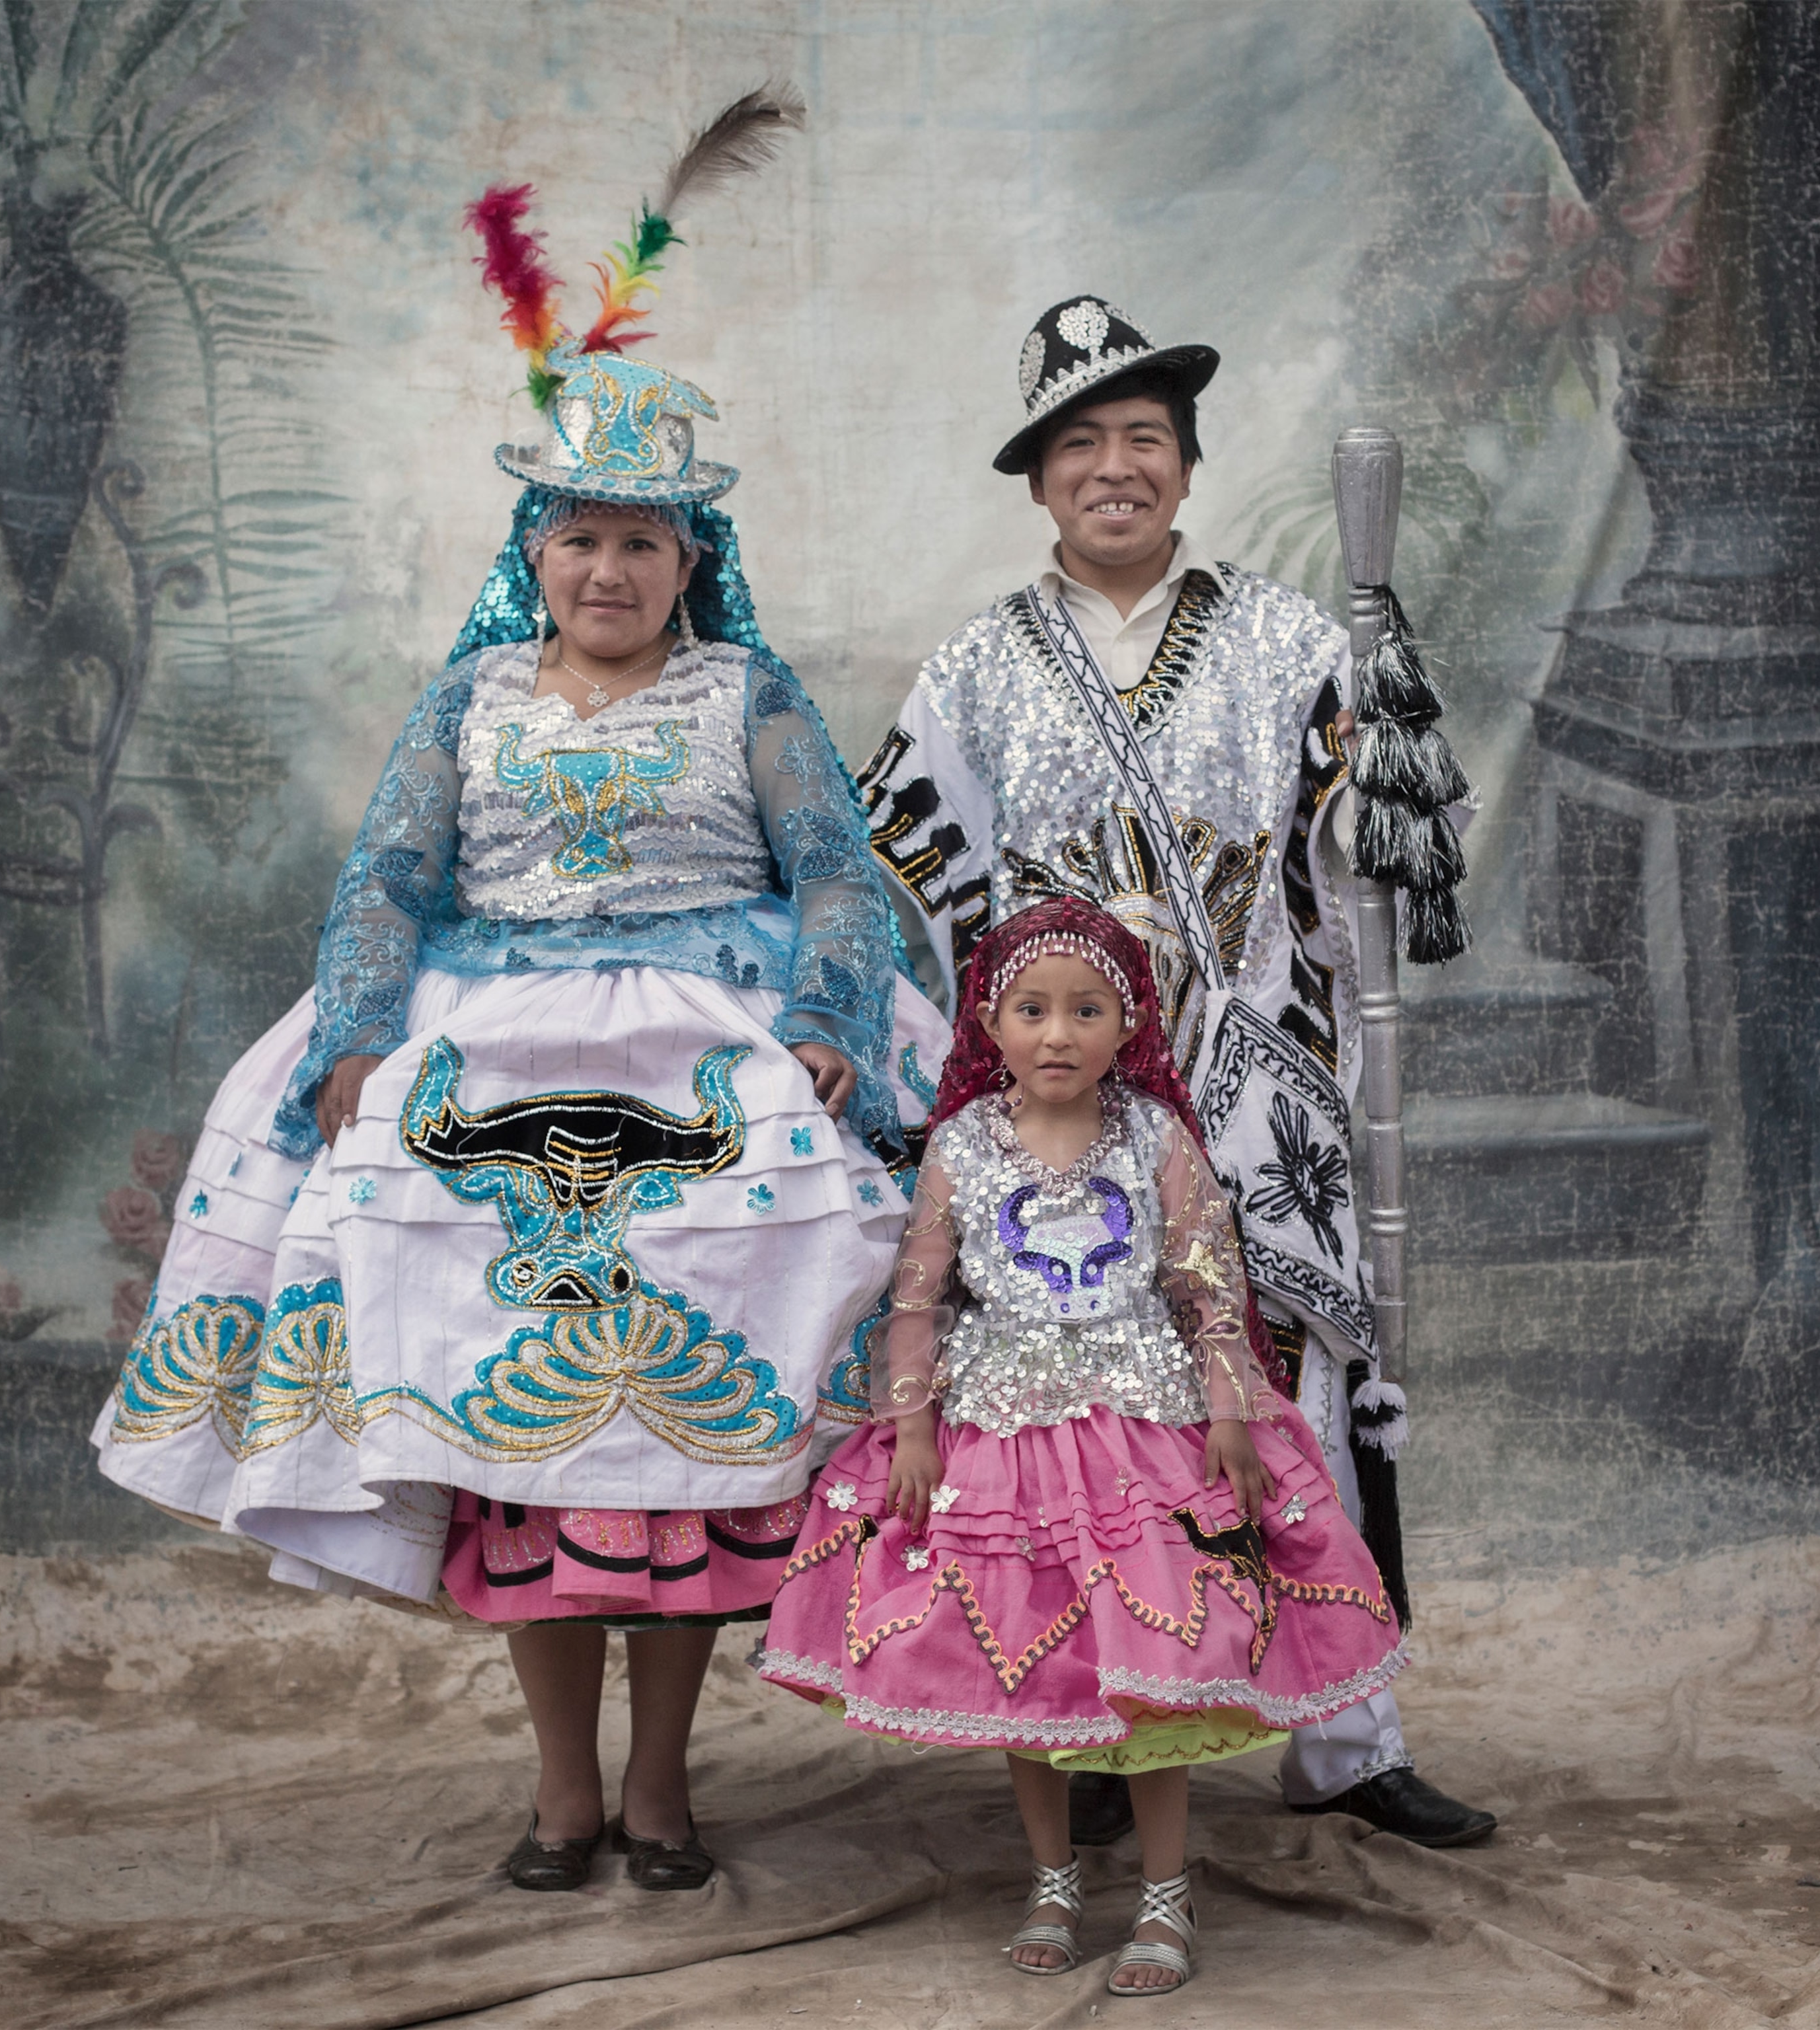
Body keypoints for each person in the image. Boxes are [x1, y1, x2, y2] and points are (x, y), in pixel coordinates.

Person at [91, 121, 949, 1895]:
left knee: (684, 1451)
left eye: (643, 544)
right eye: (580, 543)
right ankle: (562, 1792)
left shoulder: (749, 695)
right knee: (523, 1453)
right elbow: (387, 886)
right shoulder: (467, 699)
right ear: (536, 552)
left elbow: (844, 877)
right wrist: (346, 1040)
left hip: (710, 1059)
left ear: (686, 559)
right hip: (487, 1068)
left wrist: (836, 1027)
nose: (610, 574)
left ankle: (664, 1786)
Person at [856, 296, 1495, 1849]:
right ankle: (1086, 1738)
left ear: (1188, 469)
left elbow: (1366, 850)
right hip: (1064, 1106)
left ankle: (1348, 1740)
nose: (1117, 468)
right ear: (1039, 482)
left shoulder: (1290, 637)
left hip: (1258, 1083)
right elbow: (914, 866)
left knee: (1299, 1399)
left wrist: (1360, 789)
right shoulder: (975, 667)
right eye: (1083, 444)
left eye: (1145, 439)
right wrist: (1019, 1051)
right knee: (1078, 1425)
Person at [759, 901, 1405, 1996]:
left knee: (1155, 1685)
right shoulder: (960, 1148)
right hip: (999, 1447)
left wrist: (1234, 1411)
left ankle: (1163, 1891)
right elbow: (918, 1299)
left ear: (1128, 1025)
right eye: (1033, 1011)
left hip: (1146, 1444)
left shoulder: (1158, 1137)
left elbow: (1208, 1288)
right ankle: (1053, 1877)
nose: (1058, 1034)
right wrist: (913, 1424)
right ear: (993, 1025)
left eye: (1086, 1011)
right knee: (1026, 1672)